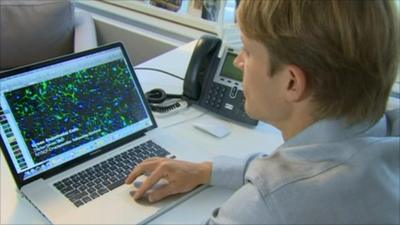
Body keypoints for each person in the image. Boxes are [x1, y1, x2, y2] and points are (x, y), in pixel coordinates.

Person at [126, 0, 400, 224]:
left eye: (248, 50)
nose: (239, 61)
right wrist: (205, 171)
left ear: (291, 83)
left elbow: (282, 184)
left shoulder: (259, 210)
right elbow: (301, 166)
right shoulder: (387, 131)